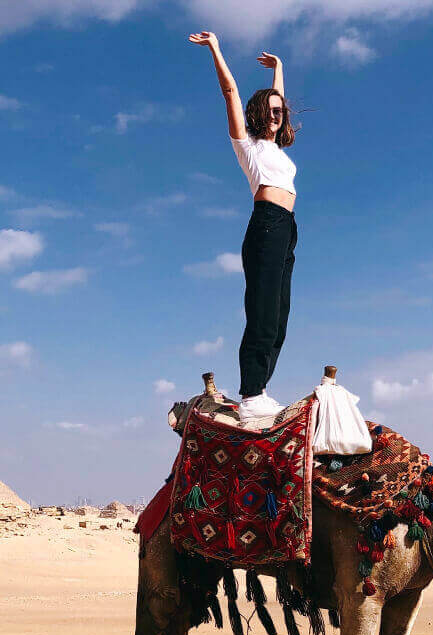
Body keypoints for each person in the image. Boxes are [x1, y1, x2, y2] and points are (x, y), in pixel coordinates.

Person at [188, 30, 299, 424]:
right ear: (256, 113)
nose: (276, 113)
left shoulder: (279, 149)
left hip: (287, 229)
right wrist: (217, 48)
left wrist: (280, 70)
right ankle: (250, 391)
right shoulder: (247, 145)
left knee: (280, 315)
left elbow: (279, 100)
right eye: (269, 110)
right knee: (262, 310)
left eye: (279, 110)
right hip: (266, 225)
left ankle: (261, 388)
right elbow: (230, 91)